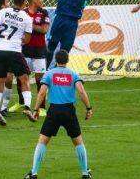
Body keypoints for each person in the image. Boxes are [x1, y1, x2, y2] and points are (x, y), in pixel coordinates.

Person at [25, 49, 93, 179]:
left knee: (42, 142)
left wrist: (35, 110)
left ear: (55, 61)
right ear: (67, 61)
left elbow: (41, 92)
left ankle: (34, 172)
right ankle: (85, 173)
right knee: (78, 142)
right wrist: (88, 108)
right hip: (69, 112)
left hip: (54, 112)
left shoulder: (49, 74)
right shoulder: (73, 74)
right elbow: (81, 91)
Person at [0, 0, 36, 126]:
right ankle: (27, 107)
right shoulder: (27, 18)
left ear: (13, 2)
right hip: (14, 51)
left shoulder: (4, 12)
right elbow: (27, 40)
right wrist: (18, 39)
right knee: (24, 79)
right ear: (25, 4)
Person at [9, 0, 50, 117]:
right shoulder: (23, 13)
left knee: (40, 79)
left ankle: (42, 108)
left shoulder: (44, 12)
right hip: (24, 49)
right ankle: (22, 103)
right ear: (34, 0)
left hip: (39, 50)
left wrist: (28, 24)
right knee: (21, 77)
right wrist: (29, 24)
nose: (42, 0)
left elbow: (44, 30)